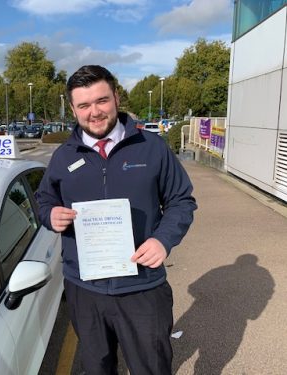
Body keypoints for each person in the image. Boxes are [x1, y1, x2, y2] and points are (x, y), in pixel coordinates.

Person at [36, 65, 197, 375]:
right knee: (97, 367)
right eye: (83, 105)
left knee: (151, 367)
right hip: (85, 288)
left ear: (116, 98)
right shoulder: (64, 156)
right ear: (73, 109)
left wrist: (163, 241)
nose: (94, 112)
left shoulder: (152, 148)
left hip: (142, 287)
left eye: (101, 101)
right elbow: (45, 199)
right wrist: (50, 215)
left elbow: (181, 200)